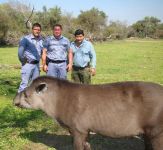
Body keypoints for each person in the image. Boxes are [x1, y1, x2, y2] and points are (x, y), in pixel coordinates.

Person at [18, 23, 43, 93]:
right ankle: (19, 101)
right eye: (35, 29)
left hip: (37, 65)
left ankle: (31, 101)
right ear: (32, 30)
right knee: (24, 84)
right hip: (28, 64)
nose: (37, 31)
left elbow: (43, 52)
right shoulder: (25, 39)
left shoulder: (41, 40)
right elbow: (20, 52)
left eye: (39, 30)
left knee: (35, 84)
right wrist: (23, 60)